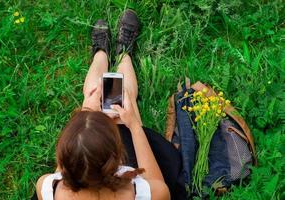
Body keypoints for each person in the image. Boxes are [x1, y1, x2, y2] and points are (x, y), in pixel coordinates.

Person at [35, 10, 183, 200]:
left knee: (89, 110)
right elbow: (160, 187)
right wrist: (134, 126)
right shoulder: (139, 192)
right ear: (119, 157)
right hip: (127, 155)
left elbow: (65, 167)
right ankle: (124, 53)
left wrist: (87, 112)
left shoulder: (47, 188)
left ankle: (100, 52)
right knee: (125, 99)